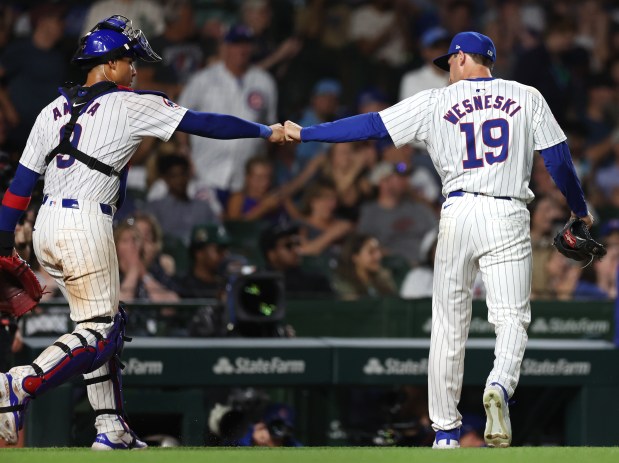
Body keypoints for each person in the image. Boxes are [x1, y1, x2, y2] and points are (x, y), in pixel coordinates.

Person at [284, 31, 594, 448]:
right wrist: (578, 208)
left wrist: (306, 133)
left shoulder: (435, 102)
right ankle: (499, 385)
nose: (447, 67)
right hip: (506, 210)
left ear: (464, 57)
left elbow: (372, 125)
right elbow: (557, 158)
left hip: (457, 212)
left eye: (450, 60)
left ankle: (446, 432)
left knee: (449, 324)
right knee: (511, 318)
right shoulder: (526, 94)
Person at [0, 15, 284, 449]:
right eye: (130, 61)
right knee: (100, 333)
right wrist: (265, 129)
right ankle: (20, 384)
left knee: (99, 323)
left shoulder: (49, 110)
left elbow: (19, 187)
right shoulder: (130, 103)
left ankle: (110, 427)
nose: (134, 69)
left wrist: (3, 241)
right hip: (85, 224)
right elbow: (205, 123)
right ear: (109, 64)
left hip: (45, 224)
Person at [177, 24, 278, 202]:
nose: (242, 49)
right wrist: (185, 153)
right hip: (204, 173)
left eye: (246, 44)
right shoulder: (203, 79)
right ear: (225, 47)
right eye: (236, 43)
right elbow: (179, 117)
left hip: (245, 180)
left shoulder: (264, 82)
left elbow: (271, 128)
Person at [258, 222, 333, 297]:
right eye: (288, 246)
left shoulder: (316, 282)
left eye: (297, 243)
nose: (296, 249)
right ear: (272, 255)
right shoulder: (259, 284)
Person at [333, 232, 397, 300]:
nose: (378, 256)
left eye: (378, 251)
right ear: (355, 257)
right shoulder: (343, 283)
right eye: (371, 252)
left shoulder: (383, 278)